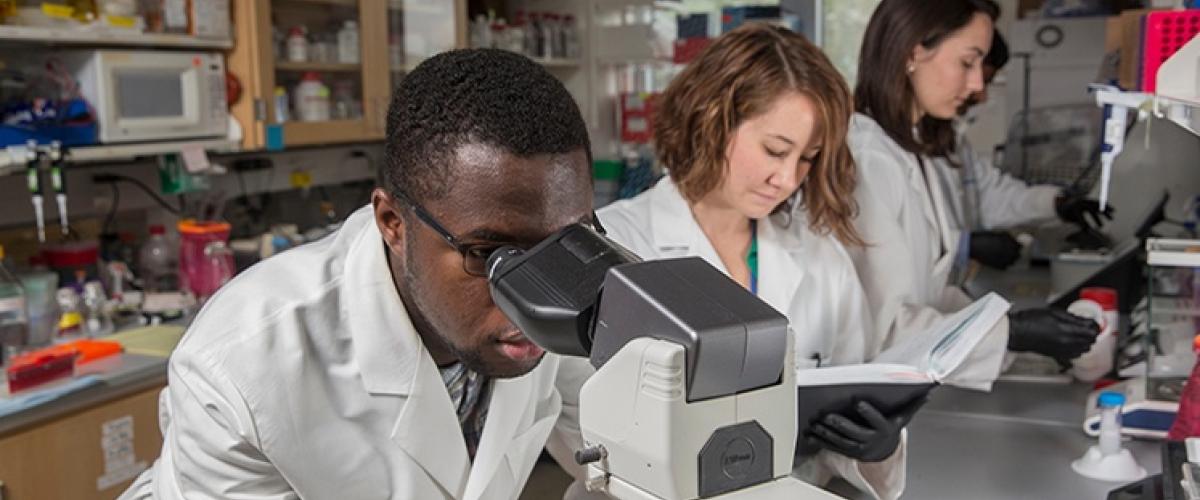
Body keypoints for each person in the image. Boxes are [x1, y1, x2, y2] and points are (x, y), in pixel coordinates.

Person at [119, 49, 597, 499]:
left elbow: (625, 455)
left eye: (562, 245)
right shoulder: (240, 367)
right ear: (394, 224)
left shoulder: (558, 301)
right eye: (490, 254)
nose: (541, 294)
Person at [599, 23, 912, 500]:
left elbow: (852, 394)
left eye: (807, 158)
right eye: (774, 150)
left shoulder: (820, 256)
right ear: (712, 119)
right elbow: (583, 425)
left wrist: (875, 447)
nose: (787, 179)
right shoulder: (616, 242)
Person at [848, 0, 1099, 388]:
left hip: (907, 384)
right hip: (873, 392)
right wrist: (1012, 332)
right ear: (914, 51)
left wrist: (1006, 327)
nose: (978, 85)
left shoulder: (915, 150)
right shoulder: (869, 158)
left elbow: (932, 294)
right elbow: (884, 327)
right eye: (968, 62)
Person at [935, 29, 1113, 271]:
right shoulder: (884, 146)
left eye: (984, 80)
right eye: (978, 78)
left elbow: (991, 197)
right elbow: (897, 243)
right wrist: (965, 245)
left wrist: (1056, 204)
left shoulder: (951, 140)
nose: (982, 95)